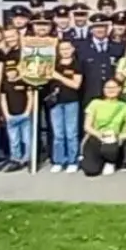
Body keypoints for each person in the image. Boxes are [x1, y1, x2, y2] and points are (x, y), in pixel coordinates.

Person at [80, 78, 126, 176]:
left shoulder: (125, 107)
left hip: (113, 139)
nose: (111, 90)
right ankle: (95, 160)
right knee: (91, 171)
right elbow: (87, 126)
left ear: (120, 89)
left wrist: (118, 136)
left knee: (110, 146)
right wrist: (99, 135)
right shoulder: (95, 103)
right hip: (96, 137)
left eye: (114, 87)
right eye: (108, 87)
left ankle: (110, 162)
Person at [45, 40, 84, 173]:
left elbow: (76, 84)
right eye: (62, 49)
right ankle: (59, 160)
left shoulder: (77, 64)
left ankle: (72, 160)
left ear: (72, 49)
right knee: (58, 134)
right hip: (55, 102)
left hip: (71, 101)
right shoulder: (53, 64)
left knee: (71, 133)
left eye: (67, 48)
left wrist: (59, 77)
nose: (65, 51)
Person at [0, 63, 33, 172]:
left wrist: (28, 111)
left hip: (24, 114)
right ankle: (16, 159)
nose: (11, 73)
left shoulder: (24, 82)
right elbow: (3, 100)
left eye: (13, 70)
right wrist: (6, 114)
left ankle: (27, 159)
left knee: (27, 139)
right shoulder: (4, 84)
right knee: (14, 140)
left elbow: (30, 97)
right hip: (11, 116)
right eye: (9, 71)